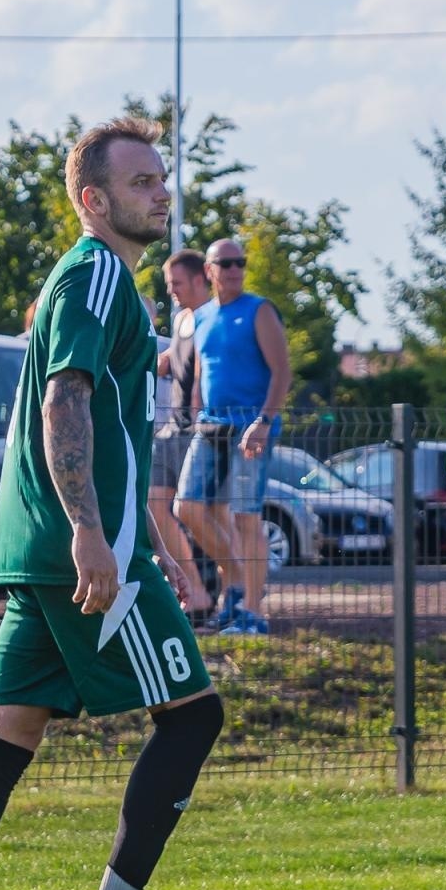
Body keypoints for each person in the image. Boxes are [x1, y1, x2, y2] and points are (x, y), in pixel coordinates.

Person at [0, 117, 225, 890]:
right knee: (194, 719)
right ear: (94, 200)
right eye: (141, 182)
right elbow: (65, 403)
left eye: (162, 179)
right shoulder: (95, 277)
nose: (162, 193)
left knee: (9, 728)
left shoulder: (94, 280)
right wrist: (91, 531)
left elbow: (106, 422)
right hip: (85, 556)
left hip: (51, 551)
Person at [173, 237, 291, 636]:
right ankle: (238, 579)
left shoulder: (259, 311)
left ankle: (252, 612)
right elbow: (204, 370)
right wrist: (193, 406)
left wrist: (264, 421)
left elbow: (282, 372)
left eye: (239, 262)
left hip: (250, 427)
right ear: (209, 270)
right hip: (210, 425)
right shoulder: (202, 318)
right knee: (187, 507)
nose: (234, 269)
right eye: (225, 264)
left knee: (245, 516)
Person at [150, 249, 213, 615]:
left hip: (198, 430)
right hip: (172, 428)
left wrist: (198, 405)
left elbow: (205, 369)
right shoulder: (181, 320)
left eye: (176, 283)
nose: (171, 289)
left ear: (197, 279)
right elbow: (170, 361)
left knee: (207, 513)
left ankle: (228, 589)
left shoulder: (210, 318)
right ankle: (195, 590)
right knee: (156, 504)